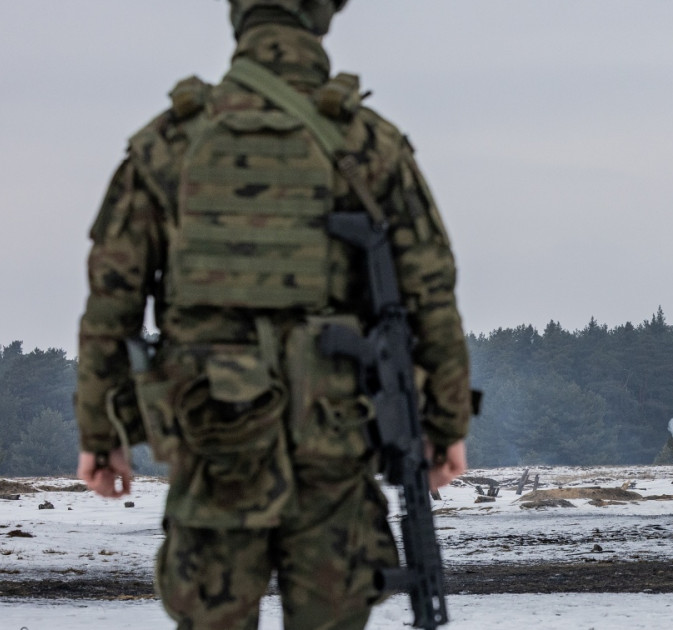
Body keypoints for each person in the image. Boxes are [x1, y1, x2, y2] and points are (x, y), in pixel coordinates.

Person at [73, 1, 473, 627]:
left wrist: (103, 435)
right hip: (335, 437)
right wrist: (445, 424)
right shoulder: (370, 144)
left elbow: (110, 306)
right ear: (323, 14)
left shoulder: (168, 144)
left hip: (213, 436)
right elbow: (432, 297)